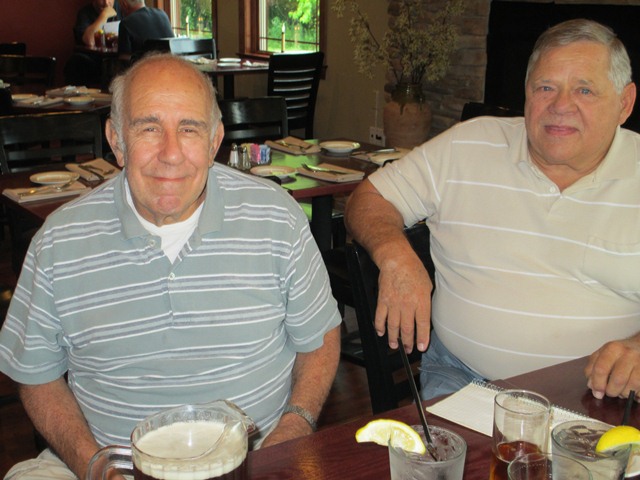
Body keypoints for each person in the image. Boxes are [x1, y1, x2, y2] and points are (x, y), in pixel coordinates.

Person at [0, 53, 341, 479]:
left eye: (189, 129)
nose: (171, 154)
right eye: (149, 128)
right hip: (110, 463)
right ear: (116, 141)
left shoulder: (277, 217)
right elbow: (36, 374)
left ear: (215, 141)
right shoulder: (59, 241)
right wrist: (94, 465)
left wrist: (295, 426)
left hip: (254, 460)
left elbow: (320, 336)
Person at [344, 18, 640, 402]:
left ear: (624, 103)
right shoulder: (469, 145)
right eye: (545, 87)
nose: (561, 105)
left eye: (584, 90)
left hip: (599, 398)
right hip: (464, 380)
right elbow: (368, 198)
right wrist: (395, 255)